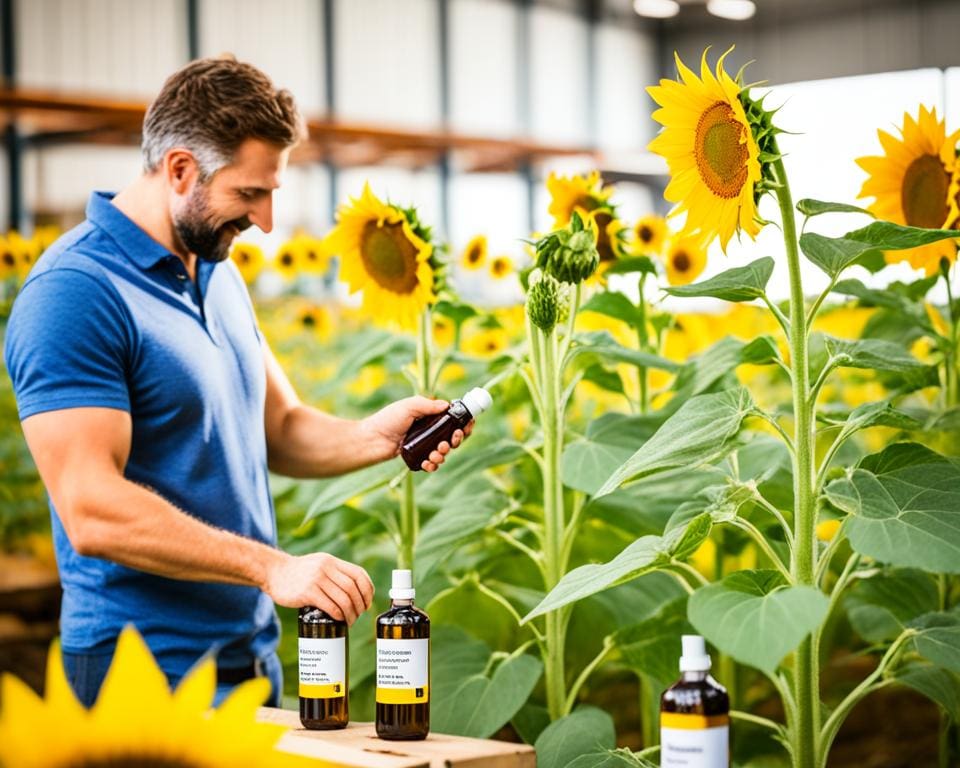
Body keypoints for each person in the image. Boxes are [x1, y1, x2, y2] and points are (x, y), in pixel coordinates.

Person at [3, 55, 469, 708]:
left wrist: (375, 437)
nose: (268, 220)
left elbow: (277, 427)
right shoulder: (75, 293)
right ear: (179, 170)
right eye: (250, 194)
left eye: (272, 192)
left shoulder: (217, 271)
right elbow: (90, 509)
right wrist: (272, 567)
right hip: (139, 674)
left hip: (247, 662)